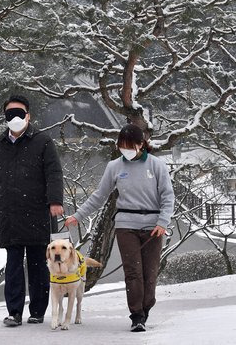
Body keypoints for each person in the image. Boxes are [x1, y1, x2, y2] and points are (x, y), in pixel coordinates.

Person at [65, 123, 174, 332]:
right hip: (126, 225)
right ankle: (136, 315)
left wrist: (163, 222)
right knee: (133, 271)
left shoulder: (156, 165)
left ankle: (146, 307)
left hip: (153, 227)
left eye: (129, 145)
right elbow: (99, 195)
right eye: (121, 145)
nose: (125, 150)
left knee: (150, 273)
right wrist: (78, 216)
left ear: (141, 144)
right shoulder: (114, 166)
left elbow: (168, 196)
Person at [0, 95, 64, 327]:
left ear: (28, 115)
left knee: (37, 264)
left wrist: (55, 201)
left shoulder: (43, 141)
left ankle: (37, 311)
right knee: (13, 264)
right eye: (10, 114)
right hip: (9, 213)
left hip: (37, 212)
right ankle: (14, 312)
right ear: (5, 117)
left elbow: (54, 173)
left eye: (19, 113)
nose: (15, 118)